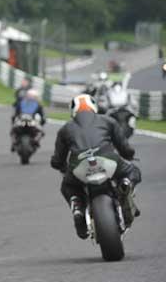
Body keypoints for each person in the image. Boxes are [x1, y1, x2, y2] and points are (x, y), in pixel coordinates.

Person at [50, 94, 142, 238]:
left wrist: (60, 166)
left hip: (79, 165)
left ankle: (77, 207)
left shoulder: (65, 129)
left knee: (68, 186)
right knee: (133, 171)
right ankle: (126, 184)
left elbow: (58, 159)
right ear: (94, 106)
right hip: (108, 160)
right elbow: (124, 147)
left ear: (73, 110)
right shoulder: (108, 121)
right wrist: (129, 154)